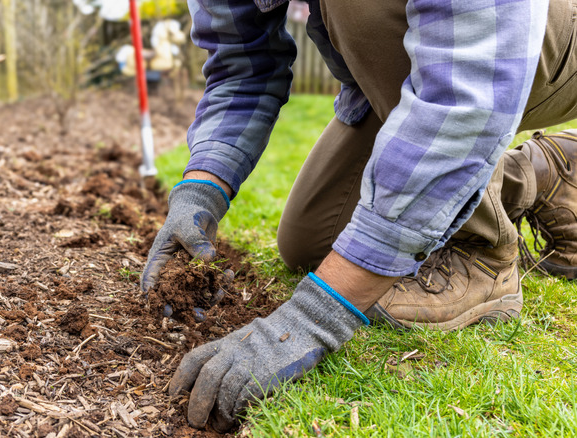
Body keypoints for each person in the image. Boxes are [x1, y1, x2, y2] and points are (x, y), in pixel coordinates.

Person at [140, 0, 577, 431]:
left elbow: (470, 90)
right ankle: (538, 172)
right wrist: (202, 190)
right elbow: (242, 66)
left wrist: (313, 318)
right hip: (422, 68)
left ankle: (479, 251)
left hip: (522, 42)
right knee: (311, 243)